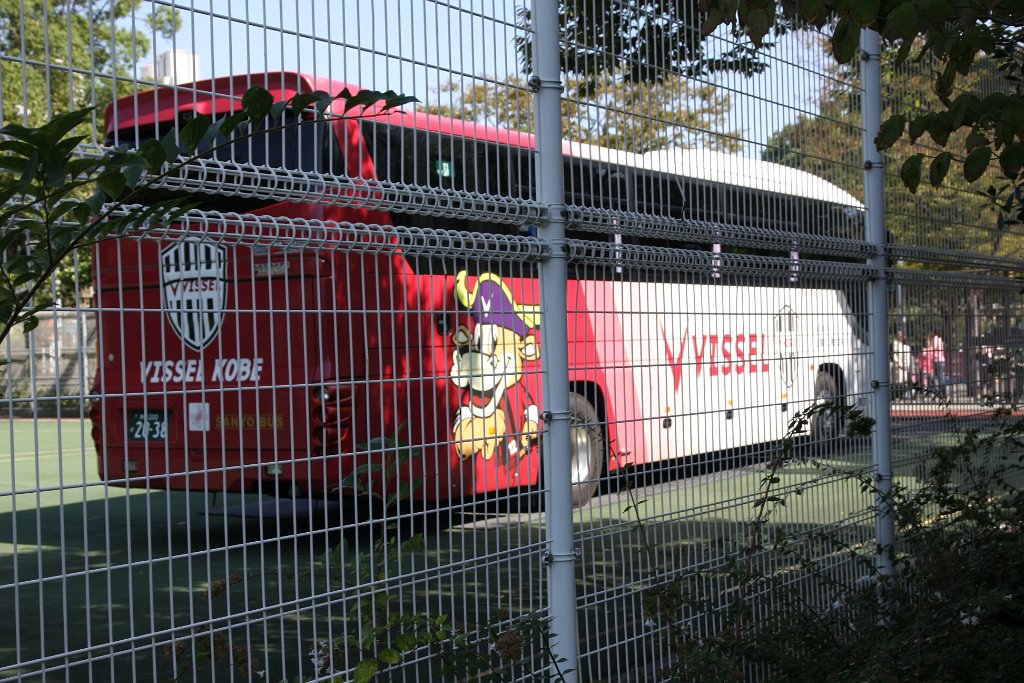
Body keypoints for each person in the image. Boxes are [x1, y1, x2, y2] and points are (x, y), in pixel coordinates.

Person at [891, 331, 912, 399]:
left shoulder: (904, 345)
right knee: (898, 381)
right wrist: (899, 363)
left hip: (904, 366)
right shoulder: (896, 344)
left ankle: (902, 394)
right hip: (898, 366)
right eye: (900, 336)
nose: (901, 337)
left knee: (904, 380)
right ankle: (897, 395)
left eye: (902, 336)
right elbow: (895, 355)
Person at [930, 329, 947, 398]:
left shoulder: (935, 339)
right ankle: (943, 392)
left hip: (937, 360)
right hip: (942, 359)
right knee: (941, 377)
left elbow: (933, 349)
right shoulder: (940, 340)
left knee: (938, 377)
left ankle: (942, 392)